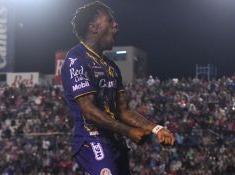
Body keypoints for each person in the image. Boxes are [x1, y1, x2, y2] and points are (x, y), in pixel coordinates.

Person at [61, 1, 175, 174]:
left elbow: (123, 111)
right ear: (94, 27)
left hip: (115, 143)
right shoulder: (76, 59)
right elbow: (88, 110)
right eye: (110, 20)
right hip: (92, 141)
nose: (116, 25)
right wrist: (129, 131)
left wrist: (156, 128)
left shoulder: (111, 67)